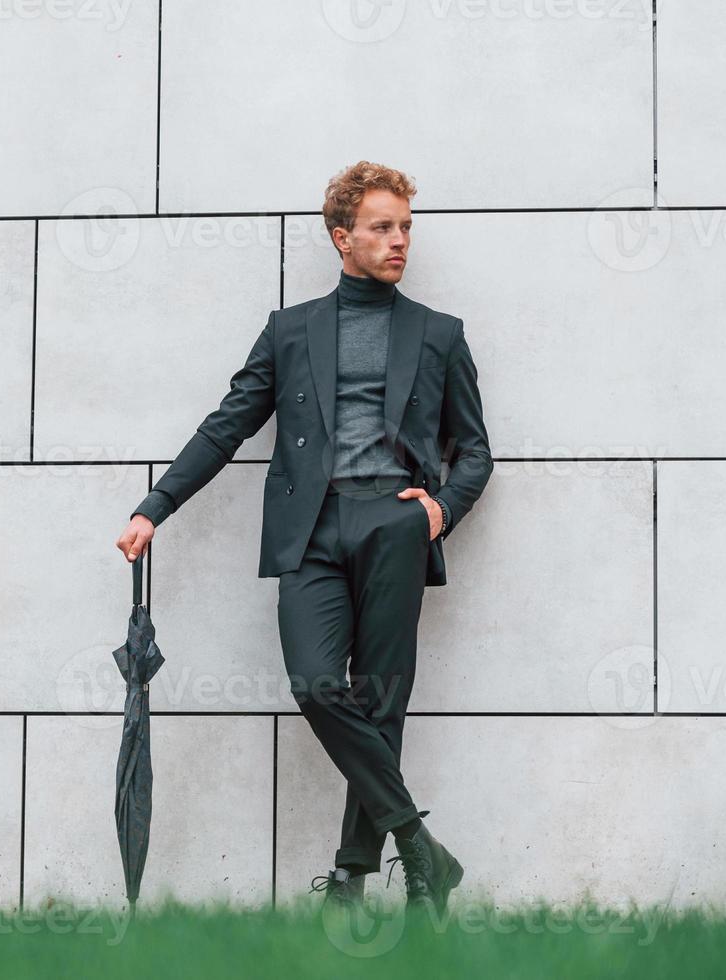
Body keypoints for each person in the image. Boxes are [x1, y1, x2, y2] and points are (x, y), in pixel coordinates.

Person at [114, 161, 493, 913]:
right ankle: (420, 846)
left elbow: (475, 450)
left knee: (380, 700)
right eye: (382, 227)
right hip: (311, 533)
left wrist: (440, 510)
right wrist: (155, 506)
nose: (399, 242)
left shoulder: (439, 334)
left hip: (395, 522)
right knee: (318, 683)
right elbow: (228, 425)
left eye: (406, 228)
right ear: (340, 237)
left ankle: (351, 880)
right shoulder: (291, 331)